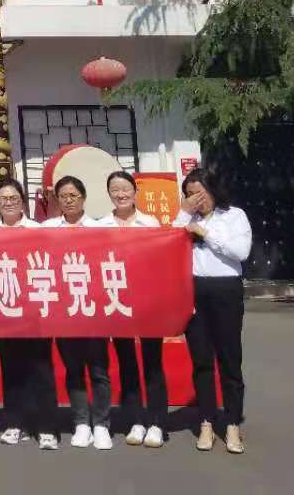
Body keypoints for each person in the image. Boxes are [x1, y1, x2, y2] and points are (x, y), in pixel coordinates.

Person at [174, 167, 252, 455]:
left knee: (230, 360)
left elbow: (240, 252)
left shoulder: (234, 216)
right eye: (189, 194)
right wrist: (184, 214)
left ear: (213, 190)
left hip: (226, 290)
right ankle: (206, 421)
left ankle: (232, 423)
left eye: (200, 192)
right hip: (194, 291)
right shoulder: (186, 218)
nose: (196, 199)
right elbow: (169, 243)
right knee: (201, 360)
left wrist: (204, 233)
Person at [0, 178, 57, 450]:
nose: (8, 203)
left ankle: (47, 427)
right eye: (3, 199)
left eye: (13, 198)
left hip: (34, 310)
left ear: (22, 201)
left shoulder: (37, 230)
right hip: (4, 310)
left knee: (41, 369)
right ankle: (15, 423)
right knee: (11, 369)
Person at [42, 175, 112, 451]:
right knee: (73, 369)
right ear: (57, 200)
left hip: (93, 308)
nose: (69, 200)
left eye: (73, 195)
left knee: (98, 370)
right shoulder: (47, 229)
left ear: (83, 198)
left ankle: (102, 424)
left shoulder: (100, 228)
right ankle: (81, 422)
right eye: (63, 196)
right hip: (63, 309)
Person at [99, 170, 167, 448]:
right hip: (117, 300)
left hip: (148, 301)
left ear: (135, 191)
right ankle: (136, 420)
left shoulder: (150, 222)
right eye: (115, 190)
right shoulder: (100, 225)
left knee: (153, 362)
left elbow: (161, 260)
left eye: (125, 189)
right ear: (109, 194)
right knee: (126, 362)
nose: (121, 194)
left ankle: (157, 422)